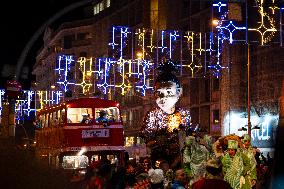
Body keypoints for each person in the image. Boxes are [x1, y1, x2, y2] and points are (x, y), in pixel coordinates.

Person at [140, 60, 191, 168]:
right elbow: (147, 140)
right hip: (161, 161)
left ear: (179, 92)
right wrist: (161, 142)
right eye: (159, 93)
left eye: (169, 92)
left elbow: (188, 136)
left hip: (182, 159)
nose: (164, 98)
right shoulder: (153, 115)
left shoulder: (184, 113)